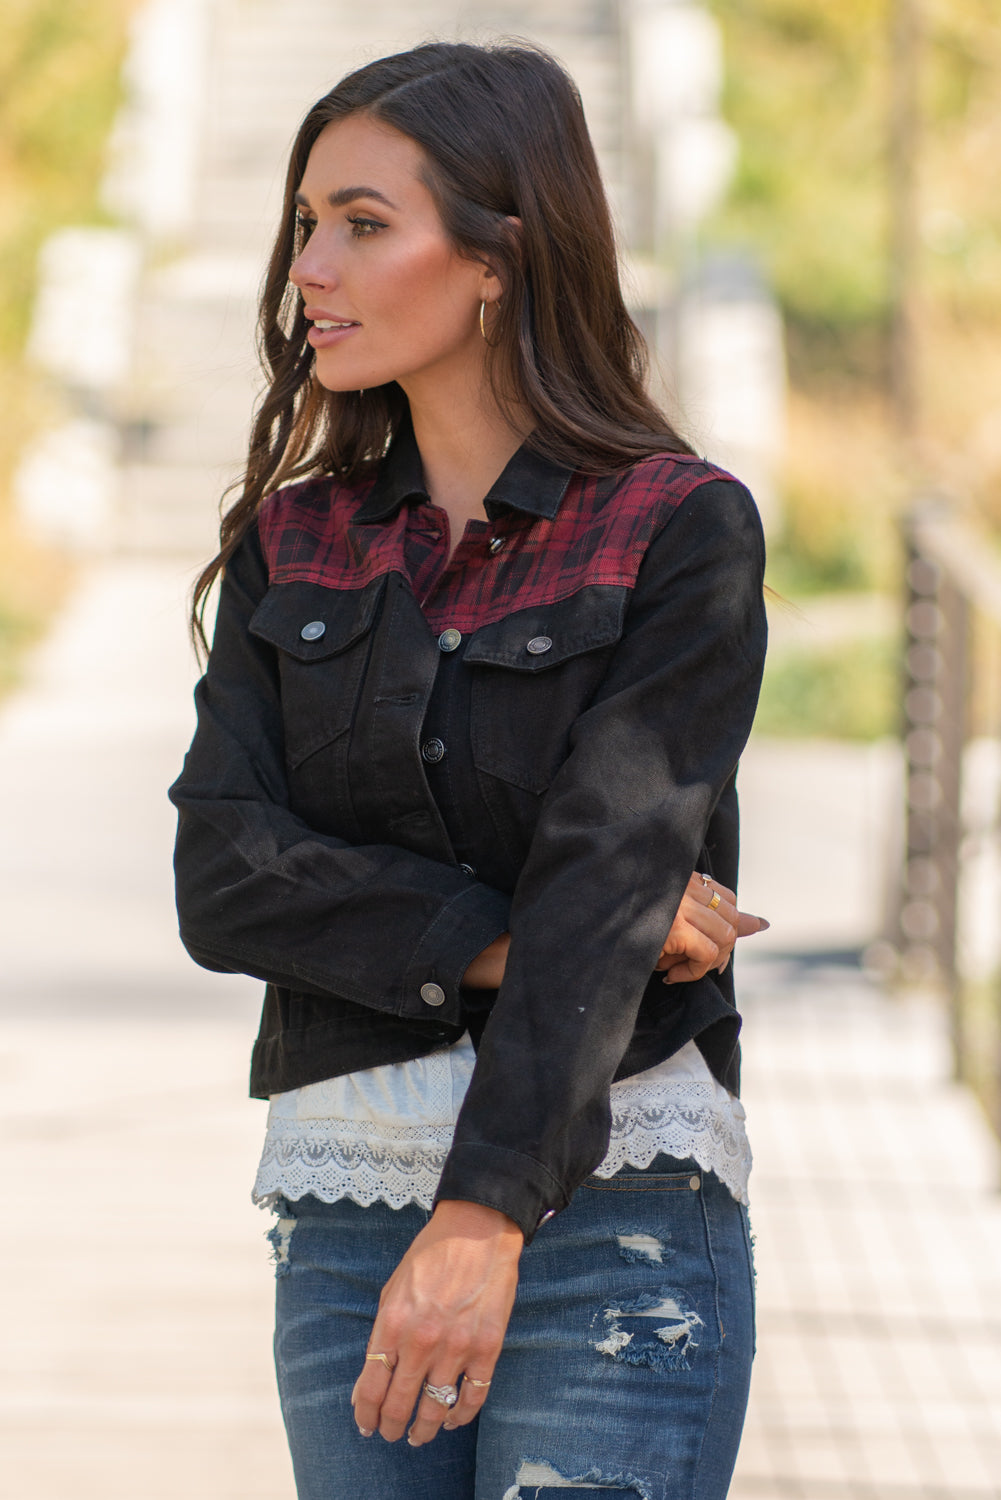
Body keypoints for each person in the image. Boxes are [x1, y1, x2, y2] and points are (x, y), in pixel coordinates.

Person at [170, 39, 768, 1500]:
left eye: (364, 224)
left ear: (498, 258)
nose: (309, 266)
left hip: (612, 1215)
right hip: (342, 1220)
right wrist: (517, 936)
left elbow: (608, 862)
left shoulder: (674, 531)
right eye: (307, 222)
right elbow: (223, 876)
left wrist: (483, 1219)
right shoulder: (289, 542)